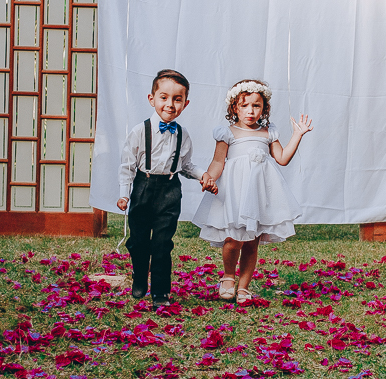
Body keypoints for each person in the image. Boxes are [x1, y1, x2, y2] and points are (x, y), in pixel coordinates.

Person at [194, 79, 312, 305]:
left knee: (251, 241)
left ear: (264, 108)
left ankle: (244, 287)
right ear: (234, 108)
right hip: (235, 192)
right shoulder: (227, 133)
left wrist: (297, 135)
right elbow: (218, 162)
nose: (250, 110)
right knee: (233, 239)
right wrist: (209, 177)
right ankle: (228, 277)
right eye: (245, 105)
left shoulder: (269, 132)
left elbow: (282, 158)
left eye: (256, 106)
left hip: (259, 193)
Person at [115, 69, 215, 306]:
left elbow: (186, 164)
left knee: (162, 244)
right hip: (142, 188)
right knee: (139, 242)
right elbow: (127, 166)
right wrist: (123, 195)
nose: (170, 104)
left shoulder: (182, 134)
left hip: (169, 191)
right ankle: (139, 277)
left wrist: (204, 176)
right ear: (152, 99)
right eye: (164, 97)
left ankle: (160, 292)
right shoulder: (139, 131)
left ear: (185, 103)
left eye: (177, 99)